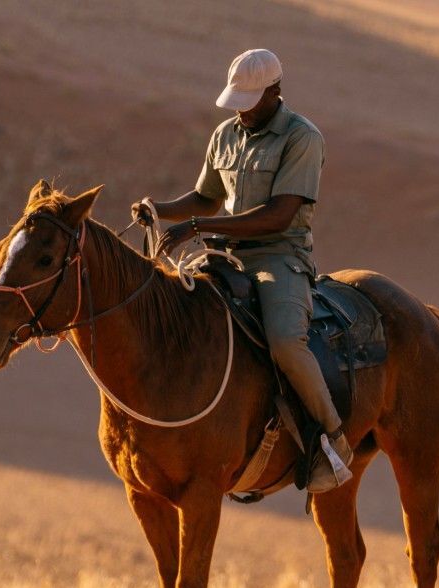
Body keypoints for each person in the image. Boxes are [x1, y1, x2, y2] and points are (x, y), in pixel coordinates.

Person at [132, 49, 350, 493]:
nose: (241, 111)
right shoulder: (225, 134)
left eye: (249, 102)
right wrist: (161, 209)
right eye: (237, 102)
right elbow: (206, 197)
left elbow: (279, 215)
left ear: (275, 91)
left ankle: (332, 440)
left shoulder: (302, 138)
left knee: (286, 343)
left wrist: (198, 227)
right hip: (224, 253)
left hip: (278, 257)